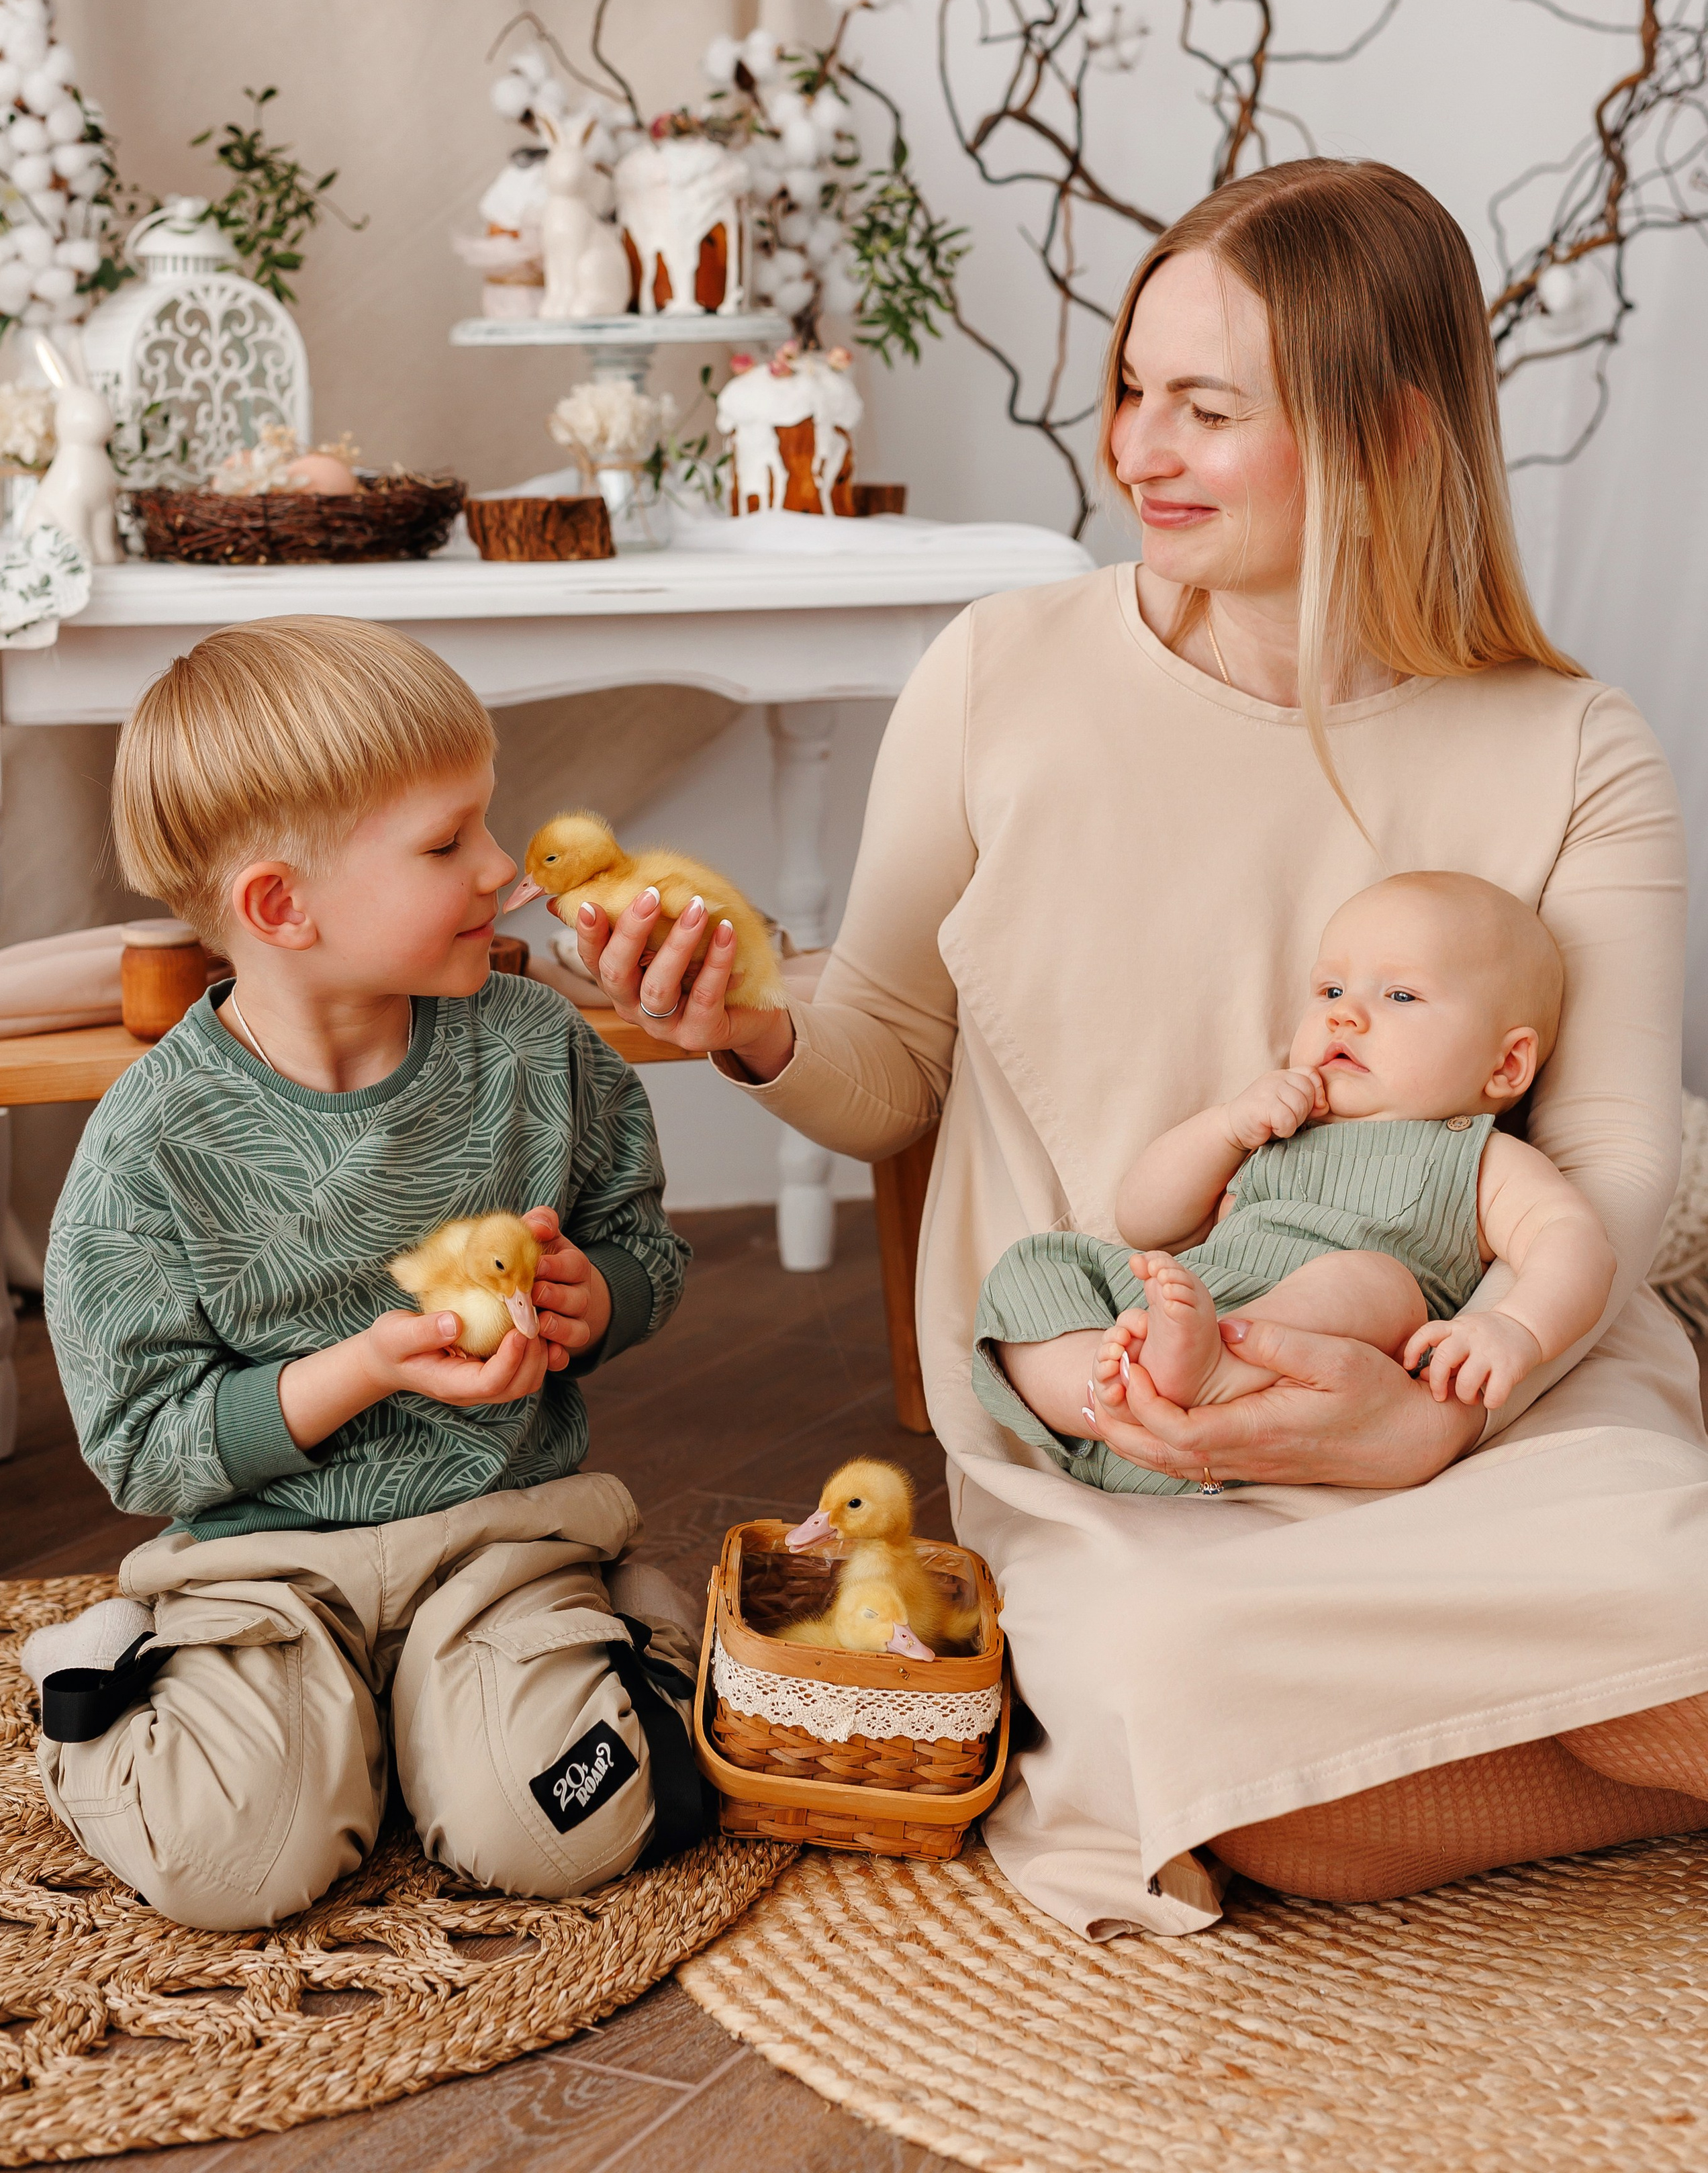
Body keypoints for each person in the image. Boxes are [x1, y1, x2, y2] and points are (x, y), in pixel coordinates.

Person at [565, 158, 1708, 1936]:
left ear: (1394, 433)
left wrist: (1442, 1409)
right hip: (1133, 1424)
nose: (1134, 451)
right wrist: (755, 1030)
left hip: (1503, 1395)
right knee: (1190, 1724)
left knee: (1670, 1588)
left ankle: (1530, 1727)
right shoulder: (1002, 672)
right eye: (1128, 392)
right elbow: (885, 1060)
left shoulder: (1576, 745)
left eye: (1204, 408)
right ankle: (1593, 1757)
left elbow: (1625, 1154)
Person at [28, 616, 702, 1931]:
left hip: (498, 1542)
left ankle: (627, 1641)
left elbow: (647, 1249)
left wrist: (599, 1301)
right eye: (447, 843)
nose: (503, 870)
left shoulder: (534, 1053)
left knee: (566, 1822)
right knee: (228, 1867)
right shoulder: (148, 1147)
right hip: (255, 1572)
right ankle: (121, 1678)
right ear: (284, 905)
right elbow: (139, 1450)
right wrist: (358, 1371)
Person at [976, 870, 1614, 1476]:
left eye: (1400, 995)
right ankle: (1108, 1394)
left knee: (1376, 1282)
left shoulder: (1482, 1158)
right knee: (1035, 1267)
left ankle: (1221, 1370)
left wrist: (1515, 1328)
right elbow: (1146, 1224)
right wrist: (1226, 1127)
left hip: (1316, 1403)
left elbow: (1575, 1241)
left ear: (1506, 1065)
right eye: (1331, 991)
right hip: (1161, 1381)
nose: (1346, 1015)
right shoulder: (1280, 1124)